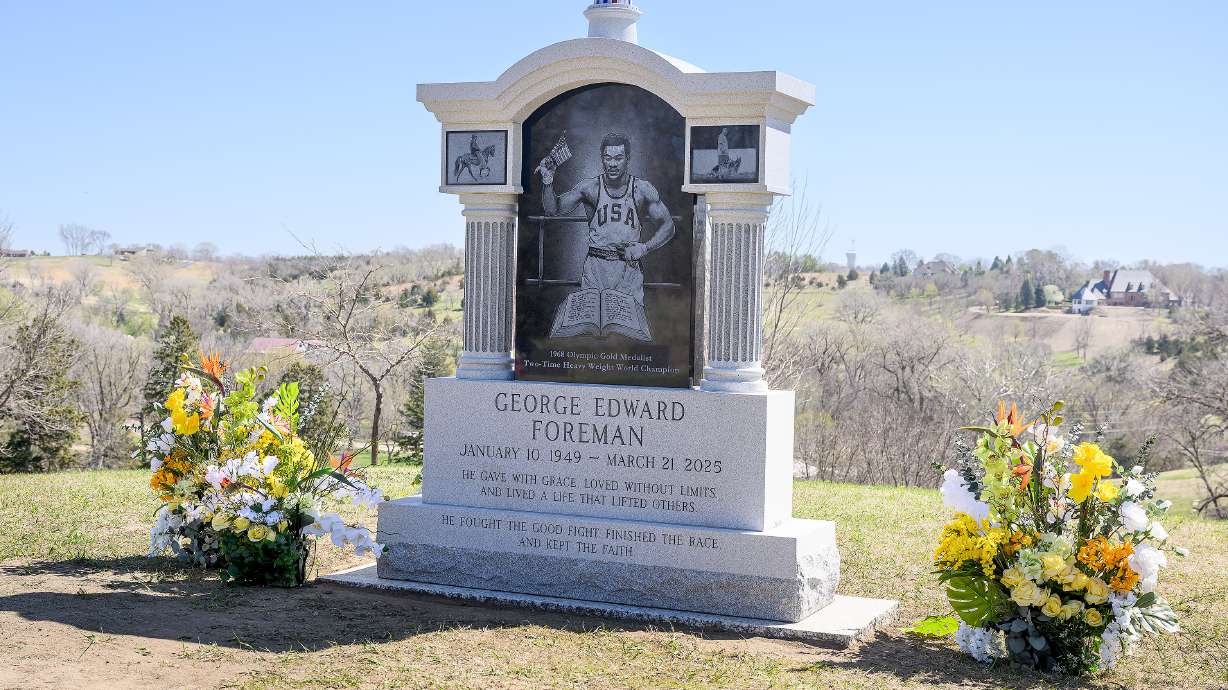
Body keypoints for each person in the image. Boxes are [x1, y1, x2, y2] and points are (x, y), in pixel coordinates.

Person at [537, 133, 674, 305]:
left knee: (627, 329)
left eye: (618, 158)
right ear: (602, 158)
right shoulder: (589, 188)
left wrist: (645, 247)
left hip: (628, 270)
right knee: (594, 328)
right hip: (596, 269)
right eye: (608, 158)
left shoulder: (641, 189)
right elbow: (552, 209)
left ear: (628, 158)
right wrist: (548, 179)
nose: (613, 164)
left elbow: (668, 225)